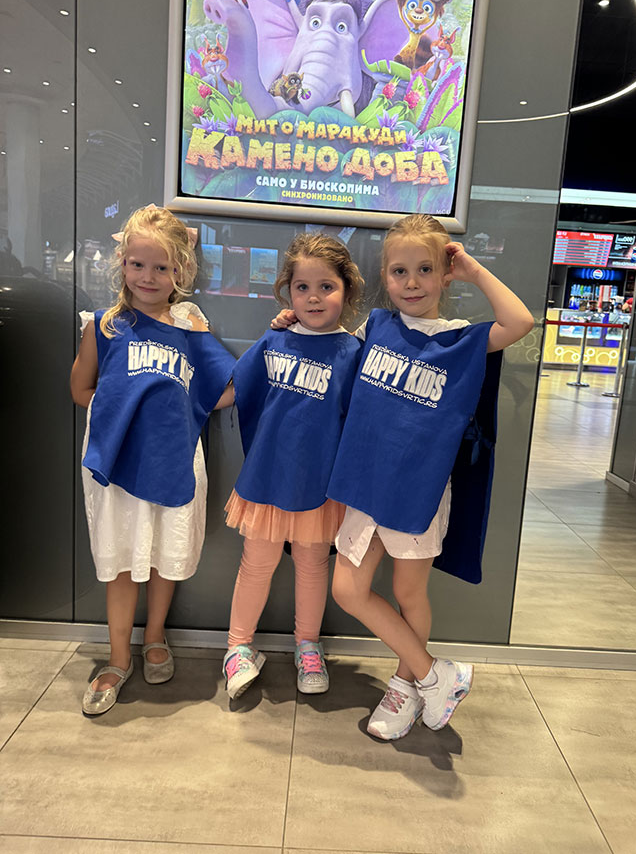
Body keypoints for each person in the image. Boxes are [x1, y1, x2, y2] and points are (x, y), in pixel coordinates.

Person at [275, 214, 533, 739]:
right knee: (348, 589)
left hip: (419, 491)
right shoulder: (375, 327)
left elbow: (520, 321)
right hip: (364, 486)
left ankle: (405, 686)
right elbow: (328, 342)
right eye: (400, 271)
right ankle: (435, 675)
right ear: (384, 276)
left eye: (425, 269)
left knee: (409, 594)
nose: (412, 282)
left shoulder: (461, 339)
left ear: (444, 275)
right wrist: (292, 321)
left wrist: (473, 270)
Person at [71, 204, 235, 716]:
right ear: (122, 263)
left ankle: (155, 636)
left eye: (161, 267)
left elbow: (224, 390)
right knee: (121, 562)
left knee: (166, 555)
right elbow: (81, 390)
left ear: (180, 271)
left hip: (175, 460)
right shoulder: (104, 325)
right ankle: (118, 657)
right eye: (138, 264)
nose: (148, 276)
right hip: (119, 465)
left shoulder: (189, 325)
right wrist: (126, 410)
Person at [221, 233, 363, 699]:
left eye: (326, 286)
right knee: (257, 563)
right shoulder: (275, 338)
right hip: (267, 476)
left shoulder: (354, 352)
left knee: (312, 564)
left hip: (319, 482)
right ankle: (238, 647)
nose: (313, 297)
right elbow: (237, 389)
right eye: (302, 287)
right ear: (287, 291)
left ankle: (308, 645)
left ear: (347, 290)